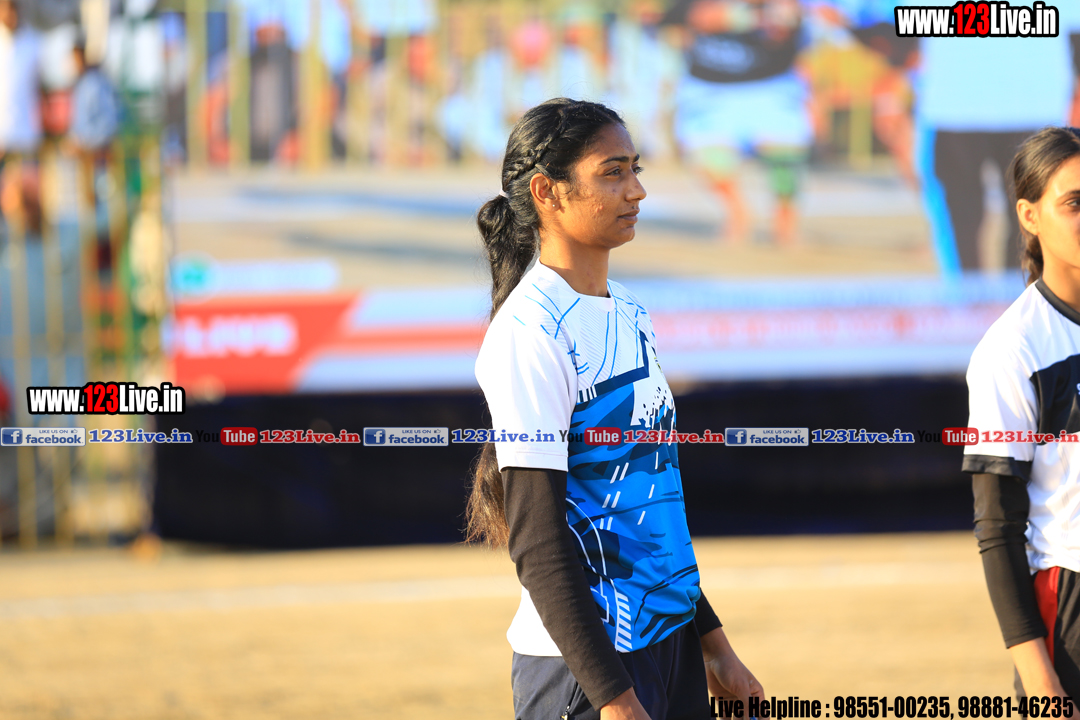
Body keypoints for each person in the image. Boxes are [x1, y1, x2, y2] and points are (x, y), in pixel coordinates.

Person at [468, 97, 762, 720]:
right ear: (547, 192)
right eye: (611, 173)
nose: (636, 191)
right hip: (586, 669)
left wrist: (713, 645)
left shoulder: (629, 310)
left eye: (636, 169)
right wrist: (613, 697)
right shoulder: (530, 331)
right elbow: (538, 539)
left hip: (670, 642)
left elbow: (654, 508)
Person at [964, 126, 1080, 705]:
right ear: (1029, 216)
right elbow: (997, 527)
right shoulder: (1014, 349)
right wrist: (1040, 681)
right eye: (1074, 203)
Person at [661, 0, 811, 245]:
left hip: (771, 85)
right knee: (708, 159)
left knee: (784, 158)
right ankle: (738, 212)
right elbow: (699, 18)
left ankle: (785, 222)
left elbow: (787, 24)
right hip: (709, 89)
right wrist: (755, 17)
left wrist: (770, 19)